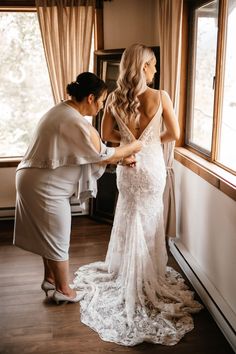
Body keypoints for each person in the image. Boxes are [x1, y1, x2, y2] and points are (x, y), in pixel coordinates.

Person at [72, 45, 203, 346]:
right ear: (143, 66)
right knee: (148, 220)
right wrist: (147, 142)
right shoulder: (161, 97)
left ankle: (128, 274)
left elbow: (106, 135)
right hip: (153, 167)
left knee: (128, 215)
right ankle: (146, 276)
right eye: (153, 65)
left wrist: (131, 141)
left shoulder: (115, 98)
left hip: (128, 167)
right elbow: (174, 134)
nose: (155, 70)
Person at [13, 72, 142, 304]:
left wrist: (120, 159)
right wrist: (133, 146)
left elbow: (84, 155)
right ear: (91, 98)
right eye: (102, 100)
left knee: (48, 235)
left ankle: (50, 279)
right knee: (58, 237)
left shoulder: (63, 112)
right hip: (44, 187)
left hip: (35, 180)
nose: (102, 105)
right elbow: (101, 154)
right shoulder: (72, 119)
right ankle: (64, 290)